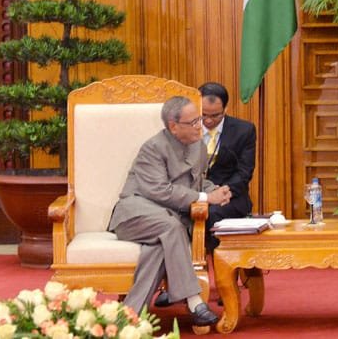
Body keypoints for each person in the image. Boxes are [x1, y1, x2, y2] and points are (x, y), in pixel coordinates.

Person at [108, 96, 232, 327]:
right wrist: (206, 198)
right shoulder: (153, 148)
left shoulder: (198, 147)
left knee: (159, 246)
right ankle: (194, 301)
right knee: (171, 227)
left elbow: (195, 184)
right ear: (173, 126)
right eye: (193, 122)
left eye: (200, 119)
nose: (200, 125)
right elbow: (159, 191)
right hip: (134, 214)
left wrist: (215, 191)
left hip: (166, 220)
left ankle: (128, 318)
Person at [198, 81, 257, 249]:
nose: (208, 120)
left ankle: (217, 265)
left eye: (215, 115)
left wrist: (224, 192)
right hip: (194, 194)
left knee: (213, 213)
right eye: (203, 115)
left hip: (230, 195)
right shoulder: (187, 127)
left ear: (225, 110)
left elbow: (244, 171)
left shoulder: (243, 130)